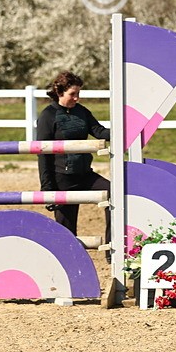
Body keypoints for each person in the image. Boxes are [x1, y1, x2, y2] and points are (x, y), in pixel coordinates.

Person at [36, 71, 111, 241]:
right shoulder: (48, 116)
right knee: (67, 231)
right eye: (73, 94)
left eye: (79, 93)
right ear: (59, 92)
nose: (77, 98)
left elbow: (99, 131)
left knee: (113, 193)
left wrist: (124, 132)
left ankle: (112, 251)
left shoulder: (82, 111)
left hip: (85, 175)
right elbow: (43, 155)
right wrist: (47, 189)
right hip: (62, 178)